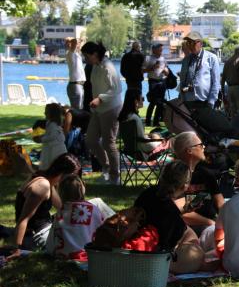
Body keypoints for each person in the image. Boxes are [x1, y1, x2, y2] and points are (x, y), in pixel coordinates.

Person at [135, 161, 205, 273]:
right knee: (197, 252)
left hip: (138, 243)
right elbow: (170, 242)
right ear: (184, 186)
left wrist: (182, 211)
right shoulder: (173, 216)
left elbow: (158, 212)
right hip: (155, 259)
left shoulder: (147, 193)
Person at [13, 154, 81, 252]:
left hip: (47, 227)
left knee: (96, 204)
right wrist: (17, 249)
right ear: (63, 174)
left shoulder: (47, 180)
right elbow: (23, 219)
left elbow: (61, 207)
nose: (72, 181)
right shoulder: (42, 186)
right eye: (72, 177)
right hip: (38, 234)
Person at [82, 41, 123, 185]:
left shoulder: (108, 67)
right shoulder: (94, 67)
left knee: (108, 143)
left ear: (94, 54)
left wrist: (100, 98)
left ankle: (115, 176)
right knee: (91, 140)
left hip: (111, 108)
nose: (85, 59)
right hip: (98, 109)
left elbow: (117, 89)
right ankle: (106, 168)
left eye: (87, 56)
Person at [178, 31, 230, 134]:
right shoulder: (186, 60)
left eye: (192, 43)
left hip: (205, 103)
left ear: (200, 43)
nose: (190, 45)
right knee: (192, 132)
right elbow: (183, 81)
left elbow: (216, 83)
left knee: (208, 131)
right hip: (188, 103)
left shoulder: (211, 58)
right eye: (188, 43)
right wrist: (182, 101)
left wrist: (210, 102)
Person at [172, 132, 225, 228]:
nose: (204, 147)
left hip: (211, 223)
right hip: (186, 227)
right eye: (200, 145)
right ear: (189, 150)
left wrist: (224, 220)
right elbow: (182, 212)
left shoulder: (205, 173)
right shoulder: (174, 176)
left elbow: (220, 202)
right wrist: (211, 223)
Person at [46, 174, 105, 259]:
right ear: (82, 188)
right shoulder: (93, 209)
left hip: (64, 254)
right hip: (89, 253)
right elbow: (101, 232)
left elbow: (53, 238)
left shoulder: (61, 211)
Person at [118, 89, 171, 158]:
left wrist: (150, 135)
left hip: (129, 149)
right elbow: (142, 139)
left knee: (158, 132)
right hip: (142, 149)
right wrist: (153, 137)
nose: (143, 101)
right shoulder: (135, 118)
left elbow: (136, 136)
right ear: (136, 101)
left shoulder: (124, 117)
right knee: (170, 140)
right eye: (142, 99)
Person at [37, 103, 68, 171]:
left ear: (52, 114)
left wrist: (41, 139)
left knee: (54, 162)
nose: (44, 113)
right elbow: (49, 134)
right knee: (51, 162)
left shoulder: (53, 124)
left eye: (46, 111)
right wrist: (42, 136)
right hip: (51, 147)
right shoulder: (50, 123)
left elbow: (52, 136)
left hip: (55, 149)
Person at [143, 43, 168, 127]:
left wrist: (166, 72)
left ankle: (156, 122)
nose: (161, 51)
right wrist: (152, 68)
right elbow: (142, 70)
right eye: (159, 49)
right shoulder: (148, 58)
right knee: (153, 102)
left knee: (160, 103)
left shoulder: (163, 59)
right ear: (154, 50)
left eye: (161, 49)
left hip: (162, 82)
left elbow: (167, 72)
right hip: (153, 82)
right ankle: (147, 121)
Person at [221, 46, 239, 119]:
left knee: (233, 114)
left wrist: (223, 93)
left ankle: (234, 128)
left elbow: (223, 78)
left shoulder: (227, 62)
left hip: (230, 89)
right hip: (238, 89)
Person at [65, 37, 86, 109]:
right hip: (75, 86)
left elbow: (79, 47)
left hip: (78, 85)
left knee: (80, 109)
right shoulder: (70, 54)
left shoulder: (76, 54)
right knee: (77, 110)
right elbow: (74, 42)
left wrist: (81, 41)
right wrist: (75, 39)